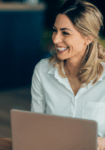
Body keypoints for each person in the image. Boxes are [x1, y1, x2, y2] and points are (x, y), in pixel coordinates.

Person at [30, 0, 105, 149]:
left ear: (88, 37)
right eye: (55, 30)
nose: (56, 39)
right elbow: (34, 126)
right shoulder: (43, 71)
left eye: (65, 32)